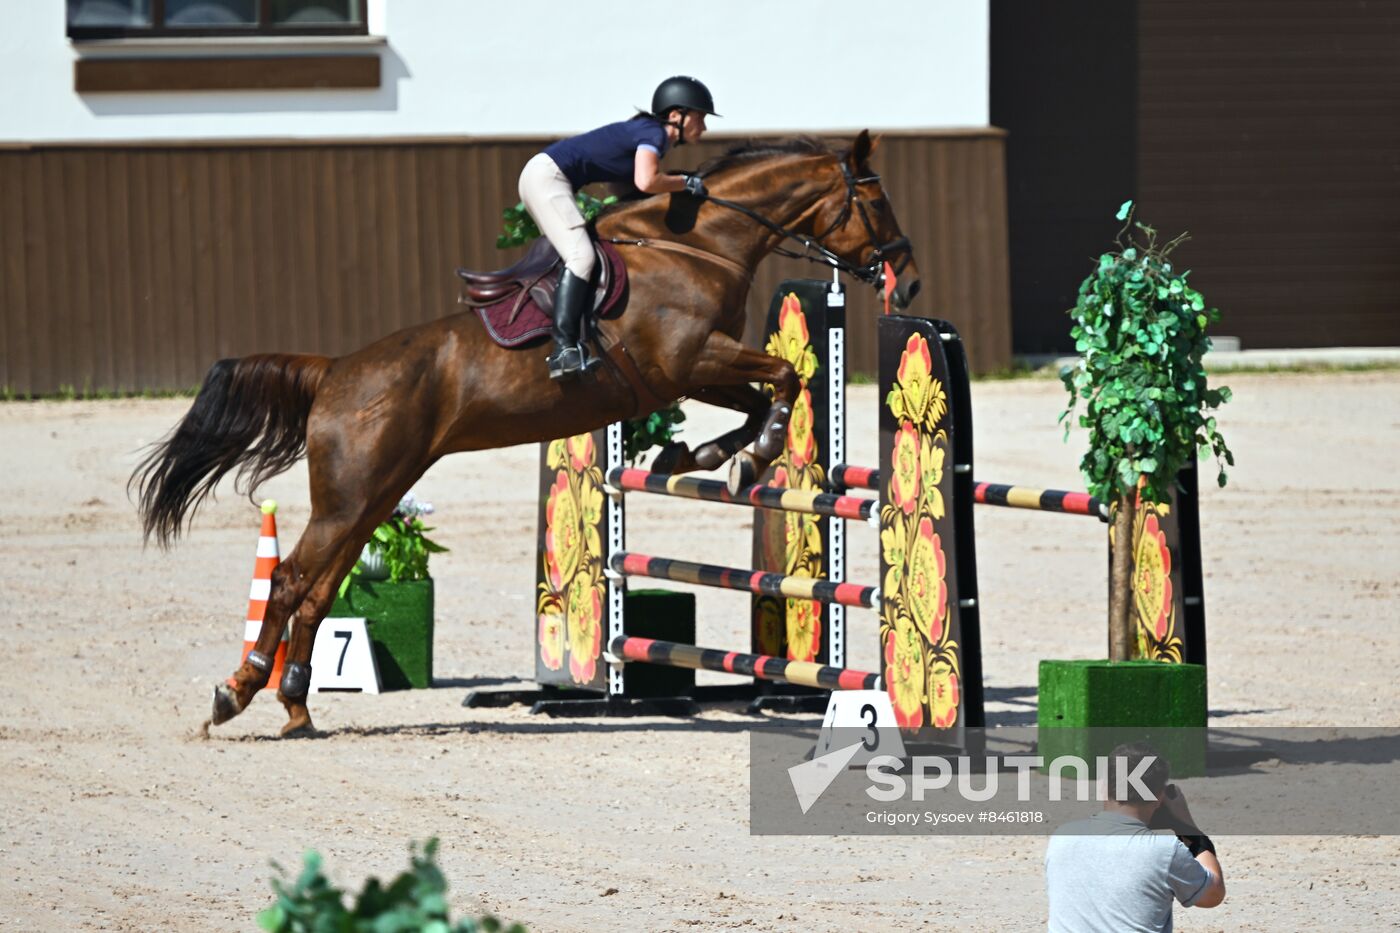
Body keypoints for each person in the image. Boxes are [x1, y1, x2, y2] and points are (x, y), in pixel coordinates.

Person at [517, 76, 718, 380]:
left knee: (585, 251)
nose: (703, 127)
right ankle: (564, 350)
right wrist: (685, 183)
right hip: (547, 178)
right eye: (700, 117)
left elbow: (625, 187)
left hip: (545, 175)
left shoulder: (643, 133)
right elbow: (646, 181)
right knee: (581, 257)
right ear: (676, 116)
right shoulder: (654, 134)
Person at [1044, 742, 1226, 932]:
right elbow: (1212, 895)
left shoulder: (1062, 836)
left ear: (1103, 788)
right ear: (1159, 797)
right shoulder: (1164, 851)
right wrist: (1186, 826)